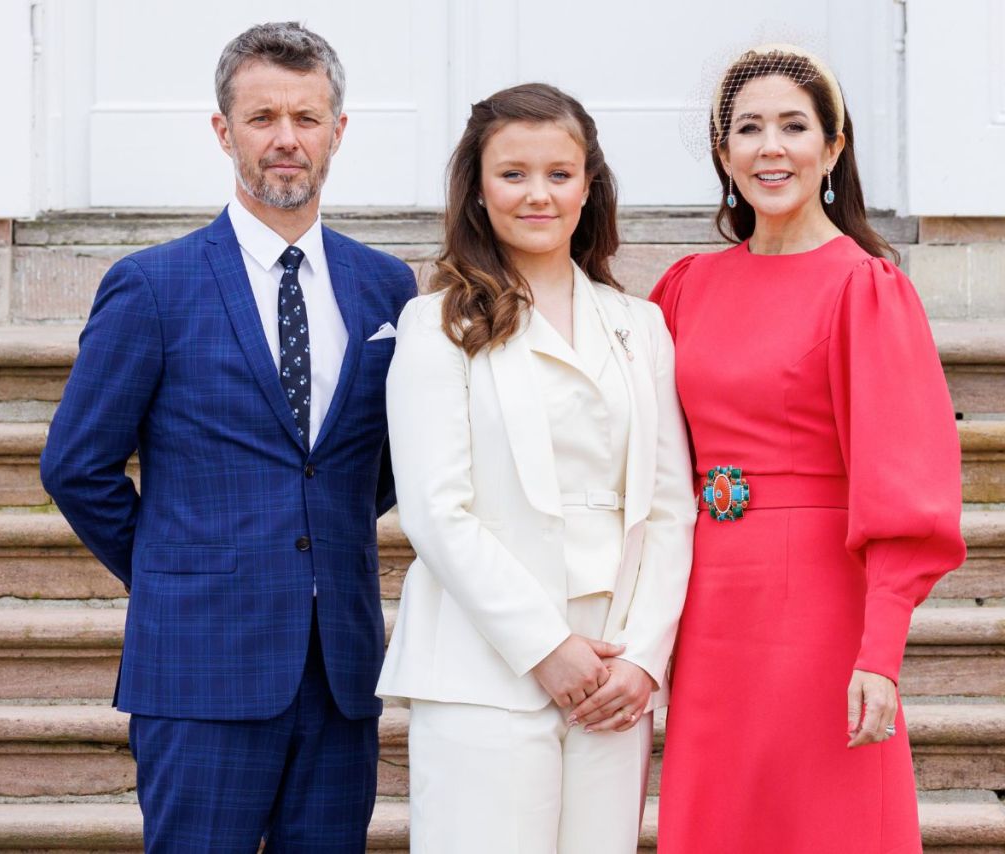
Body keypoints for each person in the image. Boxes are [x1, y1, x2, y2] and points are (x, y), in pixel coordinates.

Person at [40, 22, 415, 853]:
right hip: (199, 667)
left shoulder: (386, 286)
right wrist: (178, 570)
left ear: (338, 132)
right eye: (262, 117)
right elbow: (76, 465)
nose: (287, 139)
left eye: (307, 118)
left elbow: (380, 465)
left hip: (340, 675)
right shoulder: (151, 286)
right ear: (224, 131)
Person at [646, 45, 967, 853]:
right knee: (720, 818)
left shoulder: (866, 286)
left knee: (826, 823)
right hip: (710, 601)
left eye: (794, 126)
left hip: (822, 607)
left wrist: (881, 650)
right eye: (748, 129)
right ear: (724, 154)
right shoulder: (686, 287)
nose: (770, 147)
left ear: (833, 147)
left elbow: (909, 478)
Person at [375, 82, 696, 854]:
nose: (538, 194)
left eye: (560, 173)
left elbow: (669, 504)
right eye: (512, 173)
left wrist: (646, 658)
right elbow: (434, 509)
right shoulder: (439, 323)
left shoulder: (640, 325)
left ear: (590, 186)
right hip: (487, 665)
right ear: (479, 192)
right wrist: (545, 649)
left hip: (615, 671)